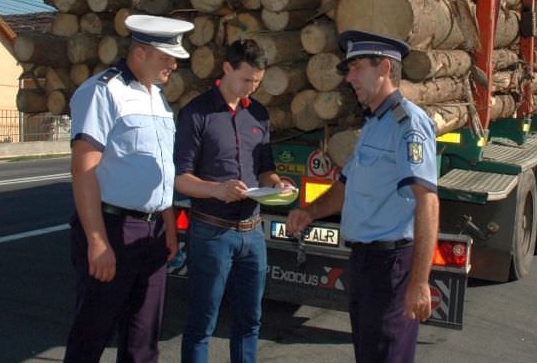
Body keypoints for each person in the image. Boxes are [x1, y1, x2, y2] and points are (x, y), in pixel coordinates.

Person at [286, 30, 439, 363]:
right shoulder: (375, 122)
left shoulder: (408, 124)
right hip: (367, 264)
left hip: (392, 267)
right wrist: (310, 211)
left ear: (384, 68)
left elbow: (427, 201)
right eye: (348, 69)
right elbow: (345, 185)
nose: (349, 76)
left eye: (356, 68)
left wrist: (420, 281)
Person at [63, 14, 193, 363]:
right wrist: (97, 241)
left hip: (152, 234)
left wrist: (168, 225)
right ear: (140, 53)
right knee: (92, 336)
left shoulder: (158, 98)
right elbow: (83, 169)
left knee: (143, 342)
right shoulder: (102, 91)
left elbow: (162, 170)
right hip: (114, 230)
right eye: (167, 57)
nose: (174, 64)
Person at [175, 39, 289, 363]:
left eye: (257, 82)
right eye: (246, 80)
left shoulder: (260, 116)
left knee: (249, 322)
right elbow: (180, 179)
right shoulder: (196, 113)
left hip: (253, 234)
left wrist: (276, 183)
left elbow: (266, 170)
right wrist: (217, 190)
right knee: (202, 324)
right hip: (211, 233)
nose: (252, 88)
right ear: (227, 68)